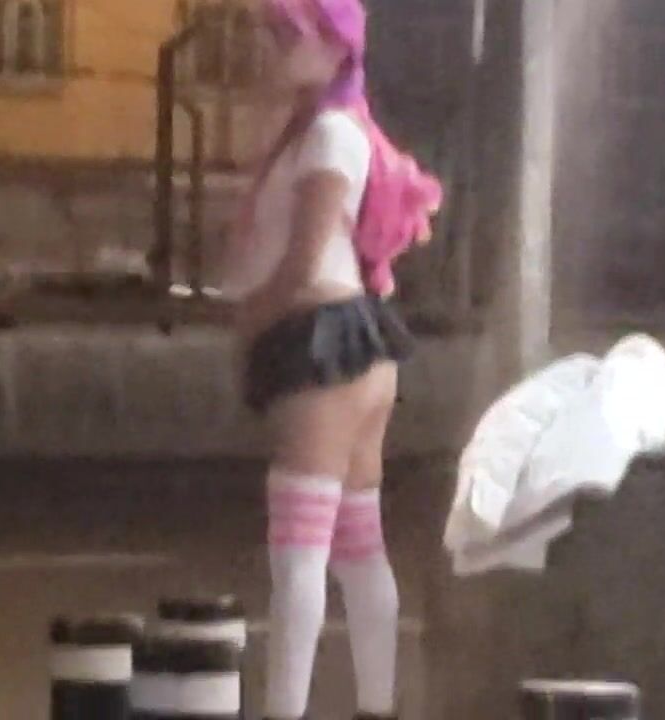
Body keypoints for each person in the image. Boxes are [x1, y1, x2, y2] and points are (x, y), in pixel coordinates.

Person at [218, 0, 441, 718]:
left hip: (319, 342)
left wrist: (249, 324)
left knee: (300, 552)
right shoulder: (331, 129)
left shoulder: (327, 135)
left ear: (337, 47)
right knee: (354, 545)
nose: (272, 45)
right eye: (271, 31)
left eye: (288, 33)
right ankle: (378, 706)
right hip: (353, 340)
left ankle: (288, 711)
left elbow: (301, 263)